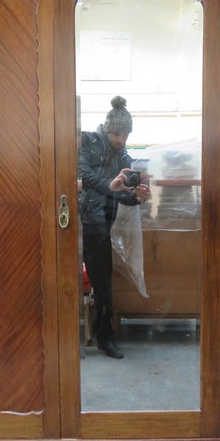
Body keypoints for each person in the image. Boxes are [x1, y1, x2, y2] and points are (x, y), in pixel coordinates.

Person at [79, 96, 150, 359]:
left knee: (103, 282)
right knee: (91, 282)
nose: (121, 138)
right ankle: (99, 338)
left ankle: (104, 337)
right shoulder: (86, 140)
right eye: (117, 133)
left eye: (126, 133)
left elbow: (123, 196)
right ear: (107, 128)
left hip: (101, 224)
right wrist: (110, 185)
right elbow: (82, 175)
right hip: (78, 220)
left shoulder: (125, 157)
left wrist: (138, 198)